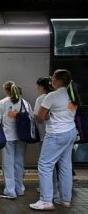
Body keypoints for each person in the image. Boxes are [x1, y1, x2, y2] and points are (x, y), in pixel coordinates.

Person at [30, 69, 79, 210]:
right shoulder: (72, 94)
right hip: (70, 132)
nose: (51, 81)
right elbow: (69, 112)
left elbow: (39, 117)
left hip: (56, 134)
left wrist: (47, 116)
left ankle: (46, 201)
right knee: (65, 166)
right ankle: (65, 200)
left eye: (53, 79)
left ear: (57, 80)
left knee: (45, 165)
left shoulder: (52, 96)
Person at [0, 81, 30, 199]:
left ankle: (10, 191)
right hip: (22, 137)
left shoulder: (3, 103)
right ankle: (19, 188)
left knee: (8, 164)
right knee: (19, 163)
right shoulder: (25, 103)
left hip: (8, 137)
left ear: (7, 91)